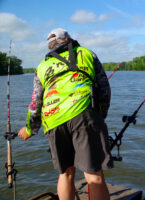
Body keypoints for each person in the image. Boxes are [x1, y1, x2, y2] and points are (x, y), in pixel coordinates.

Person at [18, 28, 113, 200]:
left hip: (53, 121)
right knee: (94, 175)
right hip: (84, 116)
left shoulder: (42, 66)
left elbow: (35, 102)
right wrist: (99, 116)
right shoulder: (86, 53)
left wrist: (31, 128)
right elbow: (104, 89)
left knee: (66, 173)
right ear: (68, 40)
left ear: (51, 46)